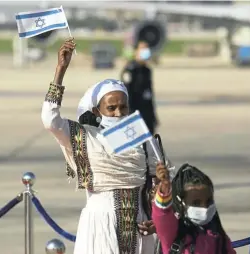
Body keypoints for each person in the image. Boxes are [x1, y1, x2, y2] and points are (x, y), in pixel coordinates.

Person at [41, 38, 174, 254]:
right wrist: (60, 71)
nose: (118, 113)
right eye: (111, 108)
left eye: (123, 107)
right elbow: (50, 120)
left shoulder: (140, 135)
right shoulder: (83, 136)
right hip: (100, 223)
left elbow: (159, 179)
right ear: (97, 111)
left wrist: (158, 217)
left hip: (140, 224)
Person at [152, 163, 236, 254]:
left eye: (209, 201)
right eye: (196, 203)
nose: (205, 208)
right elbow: (163, 215)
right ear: (181, 203)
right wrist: (165, 188)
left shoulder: (218, 236)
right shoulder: (173, 234)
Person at [120, 41, 158, 134]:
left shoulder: (147, 70)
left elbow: (149, 94)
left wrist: (153, 116)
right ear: (136, 51)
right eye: (142, 49)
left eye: (146, 48)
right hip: (134, 115)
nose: (145, 51)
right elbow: (126, 94)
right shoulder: (130, 70)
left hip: (147, 115)